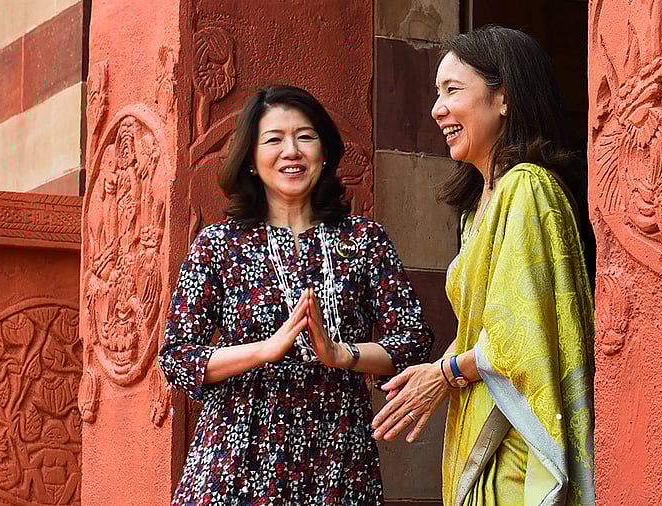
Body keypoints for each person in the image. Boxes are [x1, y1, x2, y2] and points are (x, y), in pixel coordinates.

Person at [159, 85, 433, 505]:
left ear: (324, 152)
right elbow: (177, 358)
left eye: (305, 136)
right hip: (236, 461)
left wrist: (343, 355)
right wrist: (264, 350)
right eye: (274, 139)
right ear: (251, 160)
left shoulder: (364, 240)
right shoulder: (218, 245)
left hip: (338, 461)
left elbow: (413, 342)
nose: (292, 151)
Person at [371, 26, 595, 505]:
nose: (437, 109)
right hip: (482, 418)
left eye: (453, 90)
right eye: (437, 93)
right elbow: (484, 326)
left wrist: (447, 373)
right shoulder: (479, 209)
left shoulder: (527, 188)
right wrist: (439, 368)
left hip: (515, 442)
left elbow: (523, 335)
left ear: (504, 99)